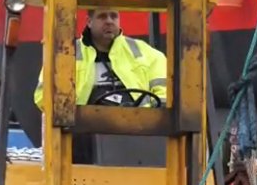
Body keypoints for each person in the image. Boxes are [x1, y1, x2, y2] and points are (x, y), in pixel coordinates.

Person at [32, 8, 168, 110]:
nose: (109, 21)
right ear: (89, 22)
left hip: (139, 131)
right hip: (83, 133)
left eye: (113, 16)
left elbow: (165, 95)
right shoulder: (65, 54)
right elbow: (43, 97)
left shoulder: (146, 53)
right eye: (102, 16)